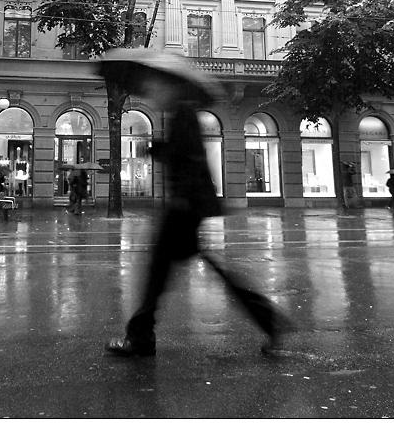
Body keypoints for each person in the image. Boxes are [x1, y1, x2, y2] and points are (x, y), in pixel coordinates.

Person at [102, 54, 291, 357]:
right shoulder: (181, 114)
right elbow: (184, 155)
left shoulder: (183, 114)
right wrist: (158, 148)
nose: (152, 90)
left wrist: (163, 160)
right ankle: (268, 320)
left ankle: (140, 337)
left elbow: (190, 160)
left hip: (184, 208)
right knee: (176, 271)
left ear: (171, 87)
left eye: (157, 85)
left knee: (158, 272)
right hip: (188, 208)